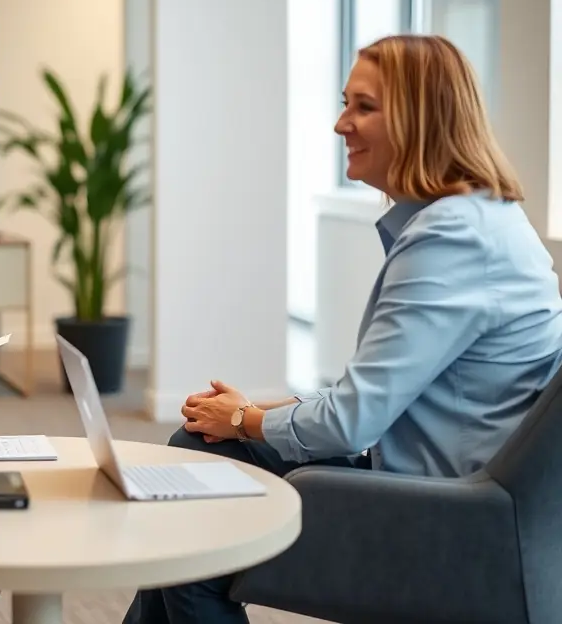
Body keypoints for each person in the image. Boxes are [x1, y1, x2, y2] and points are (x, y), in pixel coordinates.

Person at [124, 34, 562, 624]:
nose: (340, 124)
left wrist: (245, 419)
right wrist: (251, 411)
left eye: (364, 107)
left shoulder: (452, 238)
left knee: (194, 497)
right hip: (447, 492)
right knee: (195, 461)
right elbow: (377, 398)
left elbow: (352, 421)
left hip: (447, 519)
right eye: (344, 103)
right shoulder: (480, 219)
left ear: (419, 119)